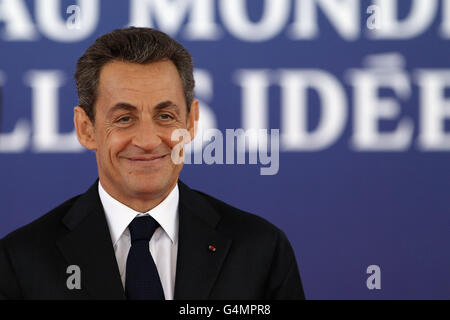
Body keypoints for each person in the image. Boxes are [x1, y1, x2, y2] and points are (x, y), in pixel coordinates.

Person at [0, 27, 305, 300]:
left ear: (191, 121)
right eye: (124, 118)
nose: (147, 140)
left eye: (165, 116)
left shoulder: (260, 249)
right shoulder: (22, 260)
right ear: (86, 128)